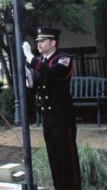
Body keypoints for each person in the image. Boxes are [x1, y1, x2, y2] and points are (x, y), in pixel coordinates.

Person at [23, 27, 82, 190]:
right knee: (54, 160)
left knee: (67, 159)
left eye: (42, 41)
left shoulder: (63, 59)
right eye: (38, 42)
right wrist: (29, 79)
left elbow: (52, 72)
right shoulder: (42, 61)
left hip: (63, 118)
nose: (39, 44)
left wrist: (31, 58)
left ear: (53, 42)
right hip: (48, 119)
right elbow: (35, 88)